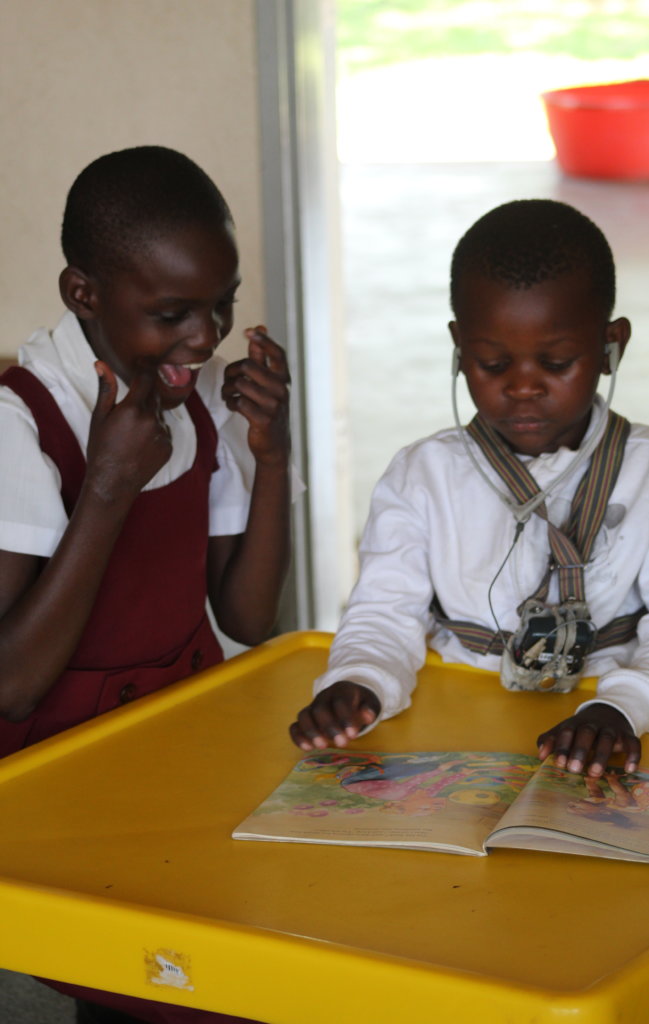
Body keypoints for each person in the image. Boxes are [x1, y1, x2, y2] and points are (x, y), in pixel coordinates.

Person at [0, 146, 293, 1022]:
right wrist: (107, 486)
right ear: (83, 294)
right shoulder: (21, 421)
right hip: (64, 773)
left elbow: (247, 616)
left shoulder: (194, 400)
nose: (205, 338)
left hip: (179, 743)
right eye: (173, 314)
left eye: (222, 304)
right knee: (182, 984)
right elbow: (11, 685)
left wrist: (272, 458)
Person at [290, 198, 649, 782]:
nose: (523, 387)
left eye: (557, 362)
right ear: (459, 347)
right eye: (493, 364)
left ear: (611, 346)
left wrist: (624, 707)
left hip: (608, 725)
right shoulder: (422, 477)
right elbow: (384, 613)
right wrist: (360, 680)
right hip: (454, 724)